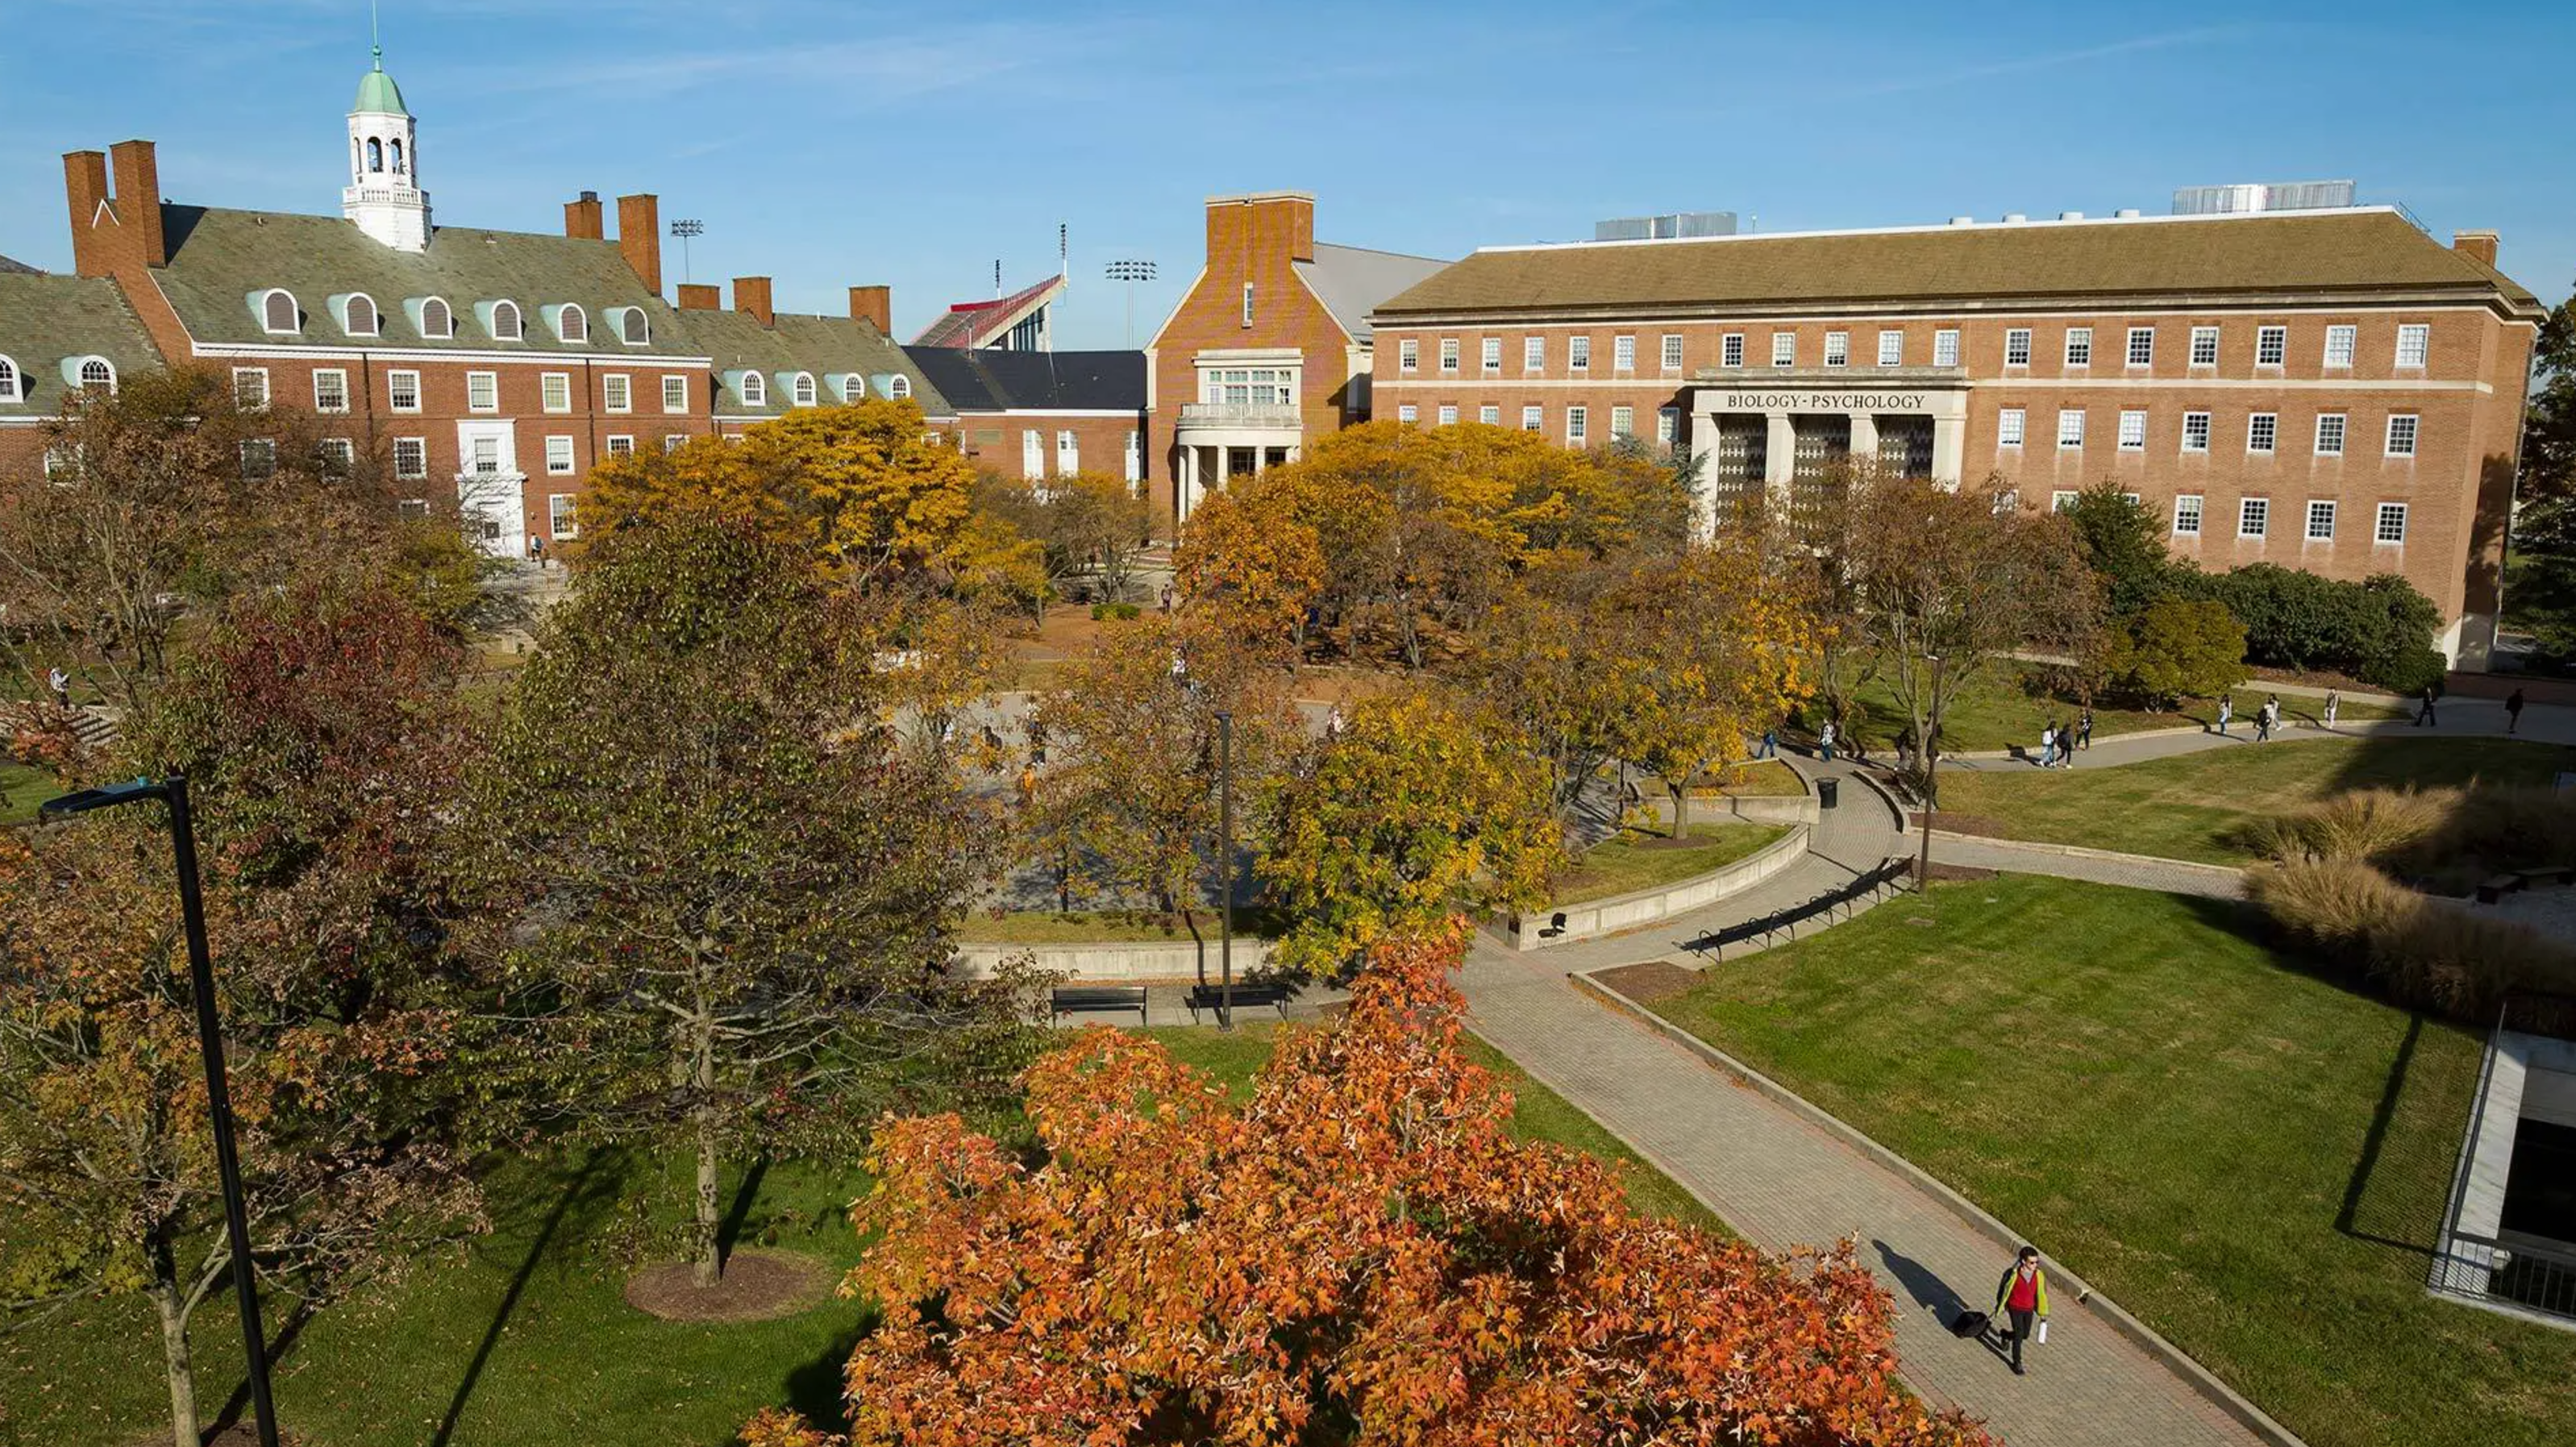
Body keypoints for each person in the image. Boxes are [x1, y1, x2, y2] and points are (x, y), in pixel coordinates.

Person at [1993, 1245, 2051, 1375]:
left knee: (2025, 1334)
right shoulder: (2012, 1274)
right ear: (2024, 1261)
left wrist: (2042, 1313)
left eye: (2037, 1262)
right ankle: (2017, 1362)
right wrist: (2001, 1305)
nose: (2035, 1265)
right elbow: (2003, 1290)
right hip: (2015, 1308)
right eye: (2032, 1262)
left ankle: (2006, 1335)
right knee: (2019, 1335)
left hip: (2029, 1308)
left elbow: (2041, 1294)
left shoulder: (2039, 1275)